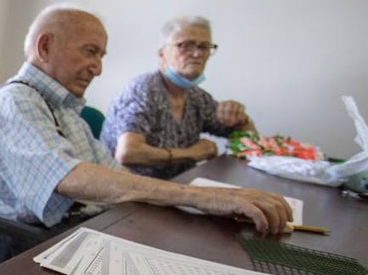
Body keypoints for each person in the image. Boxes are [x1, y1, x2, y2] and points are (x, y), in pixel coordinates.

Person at [0, 4, 291, 265]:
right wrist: (201, 197)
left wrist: (203, 200)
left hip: (80, 230)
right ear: (45, 47)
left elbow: (114, 173)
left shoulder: (66, 109)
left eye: (101, 56)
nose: (97, 68)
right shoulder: (14, 102)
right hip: (30, 247)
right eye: (90, 52)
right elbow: (70, 177)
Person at [101, 15, 255, 178]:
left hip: (179, 187)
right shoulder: (143, 90)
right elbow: (128, 153)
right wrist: (192, 153)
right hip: (131, 192)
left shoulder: (197, 97)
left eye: (204, 47)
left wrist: (241, 118)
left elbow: (245, 137)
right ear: (162, 54)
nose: (197, 54)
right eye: (185, 45)